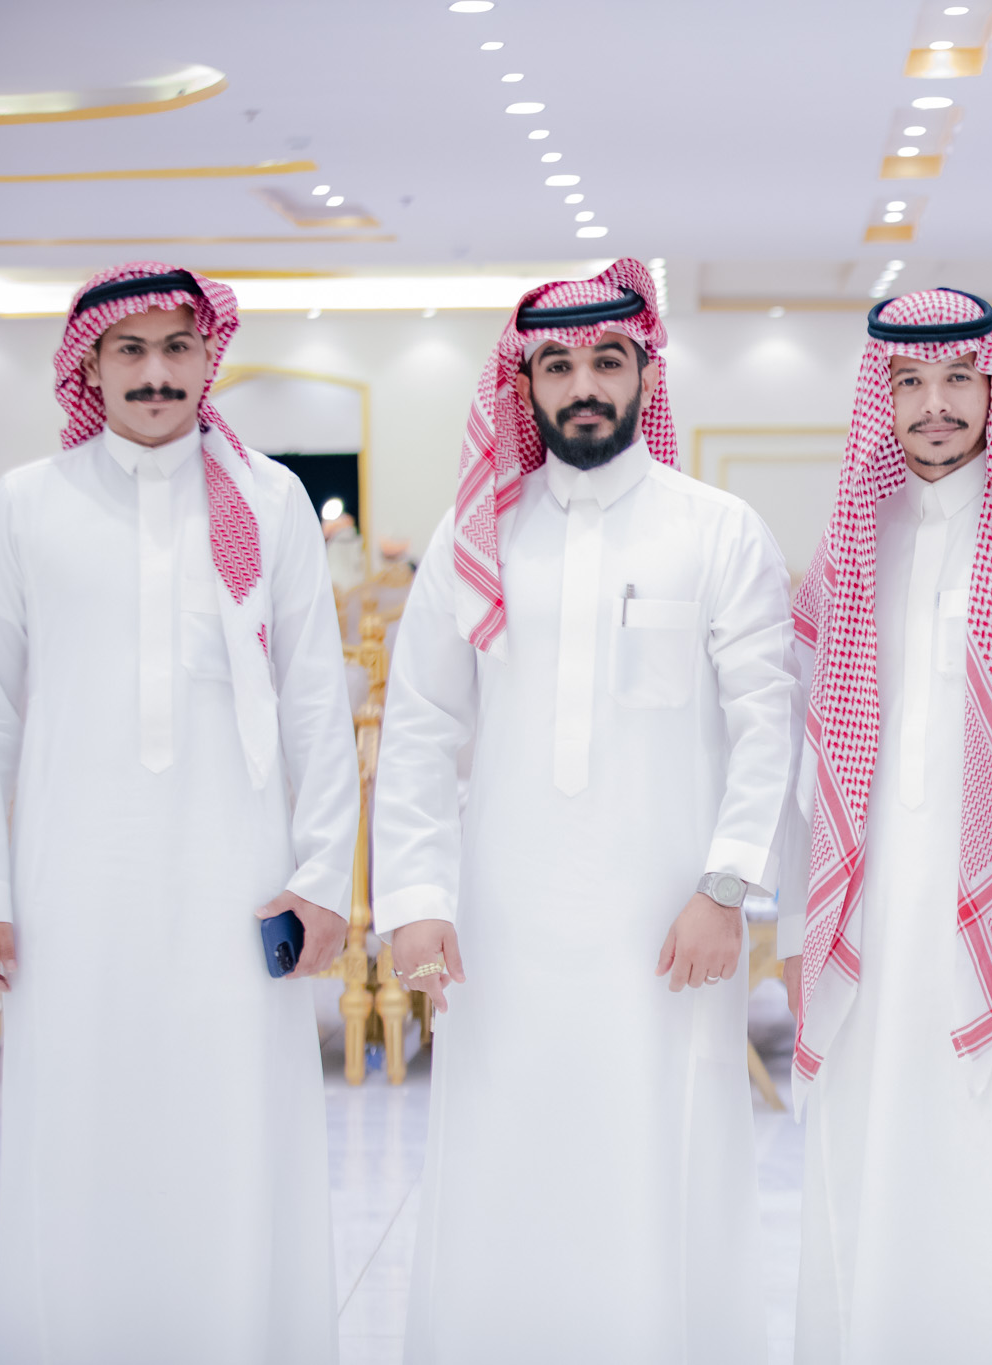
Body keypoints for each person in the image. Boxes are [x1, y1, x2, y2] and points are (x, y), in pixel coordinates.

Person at [371, 258, 797, 1363]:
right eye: (557, 366)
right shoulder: (477, 537)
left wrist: (725, 888)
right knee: (503, 1161)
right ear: (524, 387)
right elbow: (419, 724)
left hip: (667, 932)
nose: (584, 386)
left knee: (661, 1164)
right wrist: (414, 898)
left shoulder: (716, 530)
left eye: (608, 360)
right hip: (500, 930)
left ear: (647, 372)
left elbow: (768, 723)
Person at [0, 262, 358, 1363]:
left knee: (230, 1128)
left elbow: (315, 701)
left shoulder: (268, 500)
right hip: (69, 887)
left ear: (207, 357)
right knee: (82, 1127)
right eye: (129, 351)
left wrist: (324, 875)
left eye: (177, 348)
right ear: (89, 365)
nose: (155, 373)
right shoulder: (26, 503)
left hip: (238, 883)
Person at [782, 288, 992, 1362]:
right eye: (909, 382)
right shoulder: (854, 541)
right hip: (874, 922)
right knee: (874, 1157)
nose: (935, 404)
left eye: (957, 379)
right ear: (879, 397)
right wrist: (798, 927)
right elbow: (807, 751)